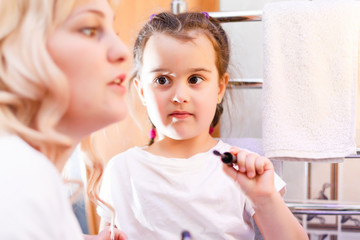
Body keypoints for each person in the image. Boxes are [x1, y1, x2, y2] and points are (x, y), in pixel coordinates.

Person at [97, 11, 309, 240]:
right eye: (162, 80)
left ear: (219, 88)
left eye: (195, 79)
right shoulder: (120, 170)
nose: (179, 96)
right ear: (141, 91)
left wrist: (265, 198)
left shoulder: (243, 171)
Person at [0, 0, 129, 239]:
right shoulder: (18, 180)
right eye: (91, 29)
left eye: (115, 32)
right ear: (22, 48)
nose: (123, 51)